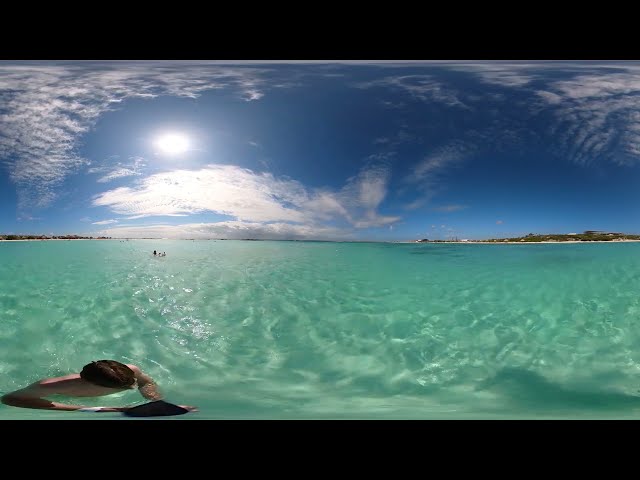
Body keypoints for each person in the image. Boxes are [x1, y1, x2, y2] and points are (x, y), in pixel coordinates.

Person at [1, 359, 196, 413]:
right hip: (72, 399)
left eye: (131, 382)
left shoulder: (132, 370)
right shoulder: (50, 387)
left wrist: (155, 400)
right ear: (89, 382)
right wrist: (82, 409)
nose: (132, 387)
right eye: (126, 386)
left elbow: (146, 382)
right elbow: (9, 399)